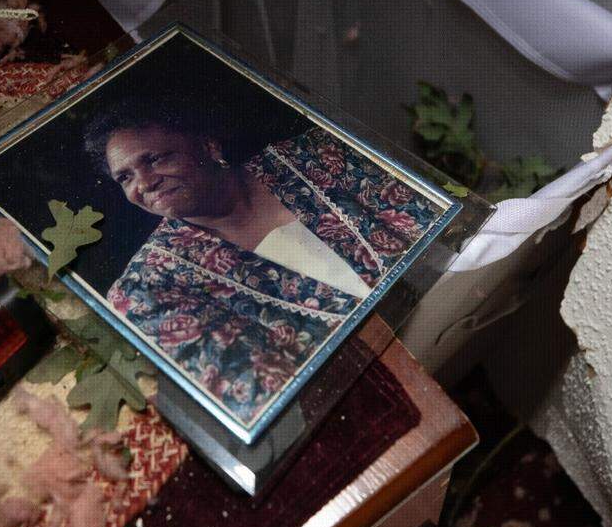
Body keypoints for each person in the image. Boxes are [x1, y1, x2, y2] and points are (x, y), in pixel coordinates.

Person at [83, 96, 442, 423]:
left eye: (156, 158)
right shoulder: (150, 285)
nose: (143, 183)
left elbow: (436, 231)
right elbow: (258, 392)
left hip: (443, 306)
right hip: (371, 398)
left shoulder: (313, 159)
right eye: (125, 177)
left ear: (207, 145)